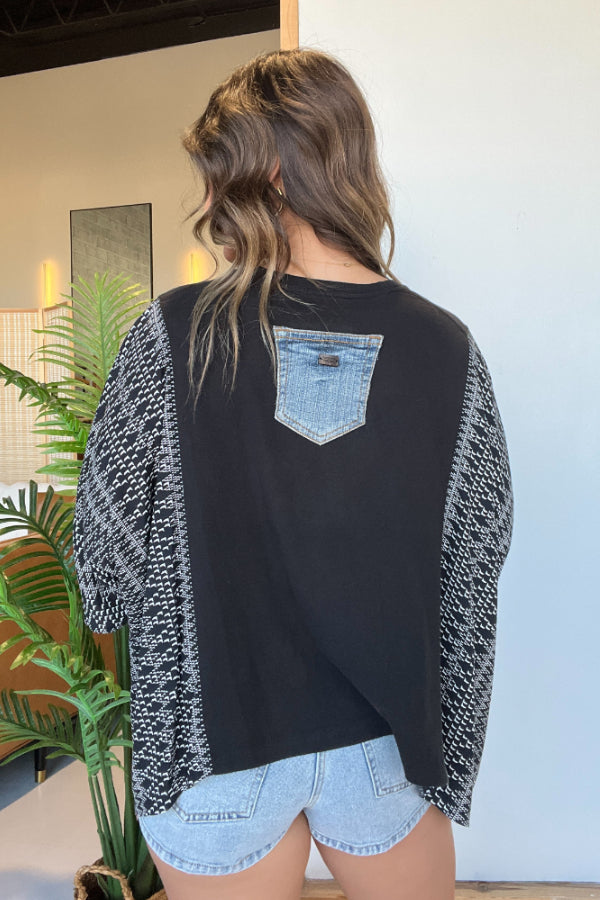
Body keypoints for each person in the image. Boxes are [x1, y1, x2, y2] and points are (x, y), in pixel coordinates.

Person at [73, 47, 514, 900]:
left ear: (270, 168)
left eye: (219, 168)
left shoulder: (174, 335)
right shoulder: (447, 348)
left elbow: (105, 552)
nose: (209, 197)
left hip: (216, 735)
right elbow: (478, 552)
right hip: (382, 739)